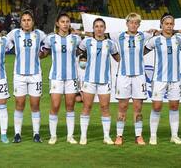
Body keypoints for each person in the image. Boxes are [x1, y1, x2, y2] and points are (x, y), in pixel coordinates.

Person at [109, 13, 155, 145]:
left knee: (137, 107)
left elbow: (161, 33)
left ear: (139, 25)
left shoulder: (143, 35)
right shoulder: (119, 36)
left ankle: (138, 136)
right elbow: (99, 34)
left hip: (139, 77)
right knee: (122, 106)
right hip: (123, 76)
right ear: (127, 23)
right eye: (131, 22)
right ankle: (119, 136)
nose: (133, 25)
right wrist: (79, 31)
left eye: (136, 23)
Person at [144, 13, 181, 145]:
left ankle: (174, 135)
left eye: (171, 24)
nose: (169, 26)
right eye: (166, 24)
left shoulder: (178, 39)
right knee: (156, 107)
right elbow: (142, 52)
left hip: (174, 79)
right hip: (159, 79)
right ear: (161, 25)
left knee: (174, 106)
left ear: (173, 25)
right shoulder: (155, 40)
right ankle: (153, 136)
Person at [40, 13, 81, 145]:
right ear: (57, 23)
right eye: (62, 21)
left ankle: (70, 136)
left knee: (70, 106)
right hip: (56, 77)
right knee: (55, 106)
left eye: (67, 21)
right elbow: (44, 54)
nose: (65, 24)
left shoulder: (76, 38)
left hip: (71, 77)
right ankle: (53, 136)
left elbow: (83, 51)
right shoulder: (51, 38)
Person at [78, 18, 120, 145]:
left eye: (101, 26)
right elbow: (79, 53)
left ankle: (106, 136)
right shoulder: (87, 42)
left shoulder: (110, 44)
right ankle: (83, 136)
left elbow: (117, 58)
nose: (99, 28)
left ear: (105, 28)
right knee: (87, 107)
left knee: (105, 107)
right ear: (93, 28)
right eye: (96, 26)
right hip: (89, 80)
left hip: (104, 81)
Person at [6, 11, 46, 143]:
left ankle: (36, 134)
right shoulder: (14, 33)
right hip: (19, 75)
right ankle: (17, 134)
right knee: (19, 104)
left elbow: (47, 47)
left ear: (33, 21)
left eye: (29, 20)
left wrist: (43, 53)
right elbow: (5, 43)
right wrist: (12, 48)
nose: (26, 22)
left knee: (35, 104)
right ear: (20, 22)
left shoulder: (39, 34)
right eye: (24, 20)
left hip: (35, 75)